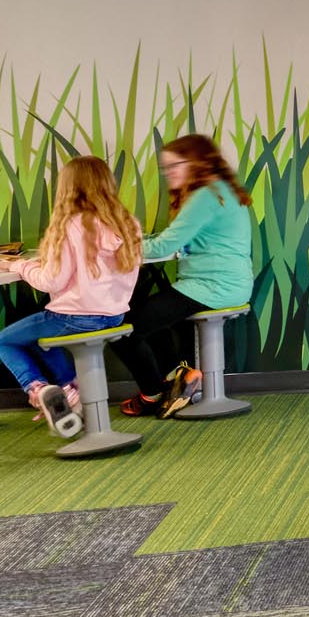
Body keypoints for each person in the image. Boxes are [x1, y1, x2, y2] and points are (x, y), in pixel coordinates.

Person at [0, 154, 142, 438]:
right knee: (37, 337)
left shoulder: (72, 224)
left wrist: (19, 265)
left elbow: (51, 279)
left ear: (68, 187)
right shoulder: (127, 222)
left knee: (6, 340)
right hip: (114, 316)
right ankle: (67, 389)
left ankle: (37, 390)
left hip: (75, 318)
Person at [114, 133, 254, 416]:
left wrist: (120, 245)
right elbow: (180, 241)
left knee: (124, 329)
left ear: (197, 163)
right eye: (165, 168)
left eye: (175, 166)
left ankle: (153, 393)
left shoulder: (205, 196)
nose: (169, 173)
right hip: (225, 283)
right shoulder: (220, 190)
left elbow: (165, 245)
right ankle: (178, 380)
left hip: (211, 286)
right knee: (151, 319)